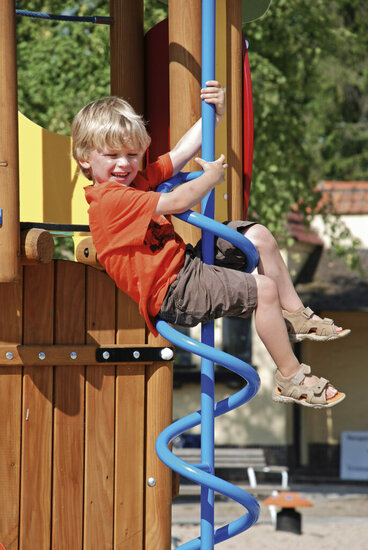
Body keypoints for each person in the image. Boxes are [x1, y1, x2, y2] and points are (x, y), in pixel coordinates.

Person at [72, 81, 350, 409]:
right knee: (263, 290)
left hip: (184, 265)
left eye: (132, 155)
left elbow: (177, 156)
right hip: (172, 290)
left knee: (258, 236)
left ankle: (296, 316)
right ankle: (291, 378)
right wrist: (209, 179)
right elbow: (175, 201)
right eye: (112, 155)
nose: (124, 164)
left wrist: (214, 116)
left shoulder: (133, 183)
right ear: (85, 158)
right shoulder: (109, 199)